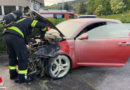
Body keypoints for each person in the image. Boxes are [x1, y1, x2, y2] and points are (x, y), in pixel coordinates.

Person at [3, 10, 47, 83]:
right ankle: (23, 78)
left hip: (7, 35)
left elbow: (24, 35)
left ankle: (13, 75)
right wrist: (43, 33)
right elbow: (42, 25)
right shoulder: (28, 20)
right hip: (16, 36)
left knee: (12, 56)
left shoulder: (17, 21)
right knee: (23, 57)